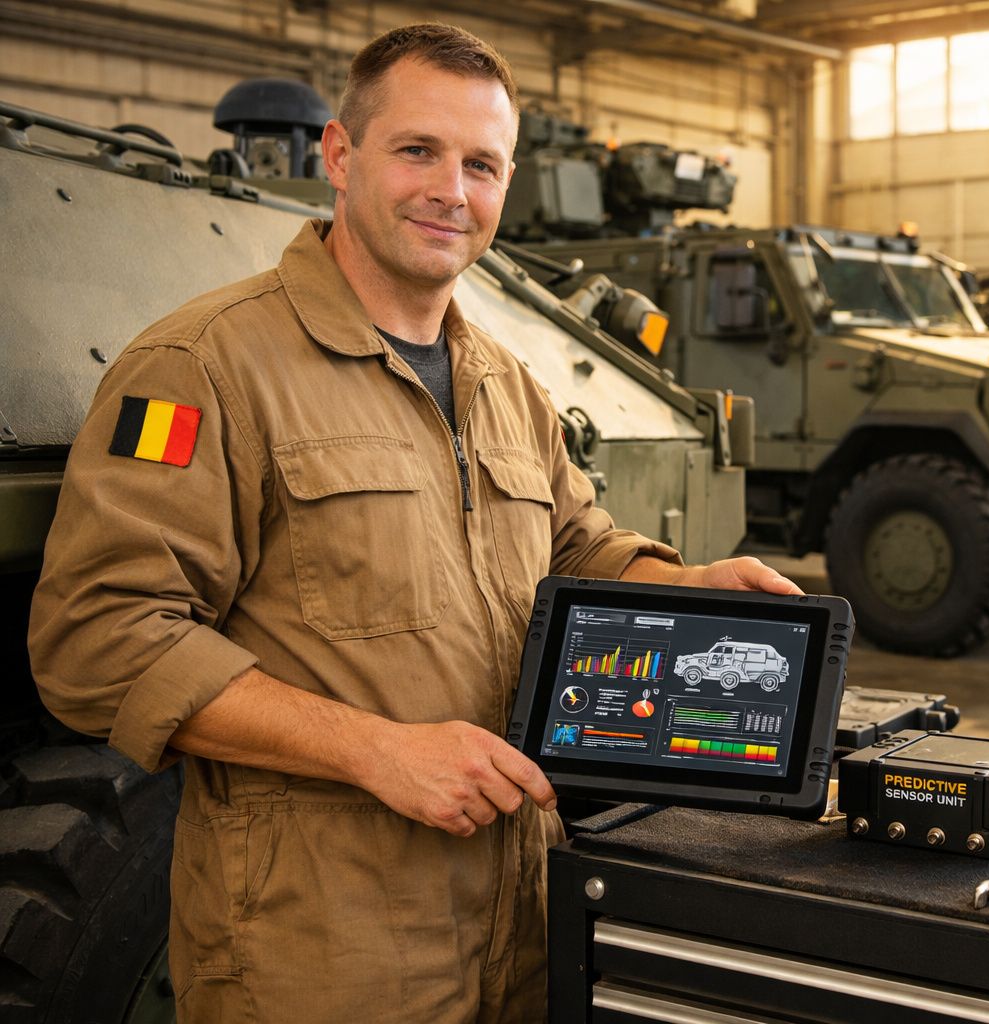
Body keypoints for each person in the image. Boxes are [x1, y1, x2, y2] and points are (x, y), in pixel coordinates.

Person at [27, 23, 797, 1023]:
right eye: (418, 151)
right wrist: (374, 748)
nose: (453, 190)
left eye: (481, 164)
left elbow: (571, 548)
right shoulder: (208, 367)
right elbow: (98, 639)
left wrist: (680, 586)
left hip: (518, 927)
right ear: (341, 158)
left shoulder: (508, 385)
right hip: (323, 950)